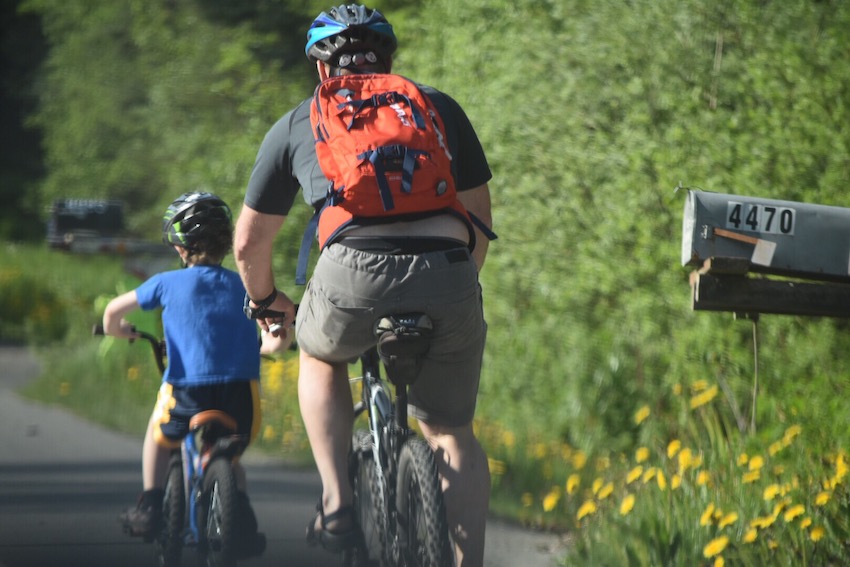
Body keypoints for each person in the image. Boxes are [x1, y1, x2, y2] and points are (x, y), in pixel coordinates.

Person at [233, 4, 493, 565]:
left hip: (353, 270)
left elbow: (249, 243)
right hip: (447, 266)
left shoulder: (300, 122)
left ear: (321, 69)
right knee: (452, 433)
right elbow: (480, 222)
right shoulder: (437, 108)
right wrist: (450, 287)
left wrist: (267, 304)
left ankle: (337, 503)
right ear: (389, 57)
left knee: (320, 352)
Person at [103, 191, 264, 557]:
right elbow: (273, 326)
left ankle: (149, 504)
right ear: (226, 241)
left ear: (180, 248)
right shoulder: (246, 283)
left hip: (188, 393)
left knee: (159, 435)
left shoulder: (165, 283)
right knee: (232, 455)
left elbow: (113, 311)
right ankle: (244, 518)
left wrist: (117, 329)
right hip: (241, 397)